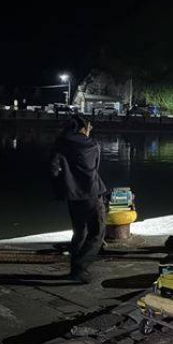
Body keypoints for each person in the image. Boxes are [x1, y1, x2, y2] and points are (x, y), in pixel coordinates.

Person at [50, 115, 107, 284]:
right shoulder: (91, 144)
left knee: (79, 231)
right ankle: (79, 268)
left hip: (72, 196)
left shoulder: (60, 144)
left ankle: (75, 269)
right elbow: (95, 168)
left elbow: (52, 169)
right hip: (92, 194)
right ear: (83, 127)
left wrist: (65, 184)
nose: (90, 129)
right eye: (89, 126)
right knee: (97, 232)